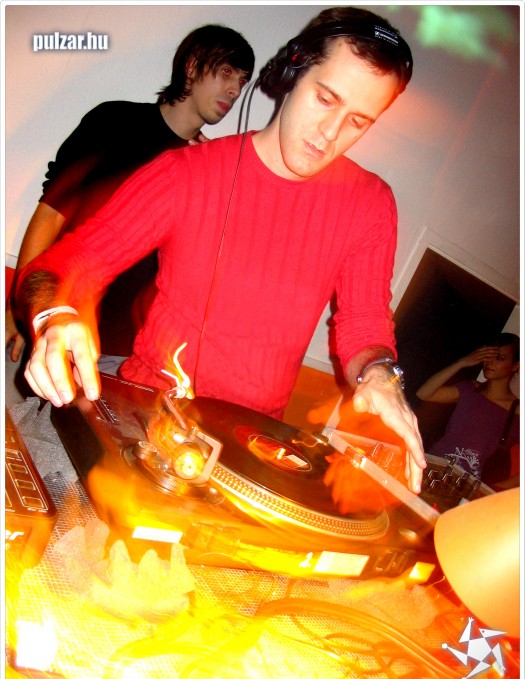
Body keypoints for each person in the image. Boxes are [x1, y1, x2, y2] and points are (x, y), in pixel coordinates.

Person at [14, 6, 428, 495]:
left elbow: (364, 322)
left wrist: (380, 375)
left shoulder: (371, 204)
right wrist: (56, 314)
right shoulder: (185, 172)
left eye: (358, 121)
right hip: (143, 422)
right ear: (291, 72)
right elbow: (65, 263)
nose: (330, 133)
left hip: (250, 450)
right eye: (325, 98)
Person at [6, 24, 255, 360]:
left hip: (128, 357)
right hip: (61, 327)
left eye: (242, 80)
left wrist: (215, 183)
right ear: (192, 66)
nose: (234, 90)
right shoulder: (114, 122)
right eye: (226, 72)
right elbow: (52, 214)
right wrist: (22, 308)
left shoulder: (206, 167)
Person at [416, 333, 520, 482]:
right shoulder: (470, 389)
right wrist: (462, 363)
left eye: (499, 358)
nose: (490, 362)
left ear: (516, 365)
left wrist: (498, 490)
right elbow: (423, 393)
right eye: (488, 355)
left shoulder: (516, 411)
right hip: (431, 466)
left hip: (463, 485)